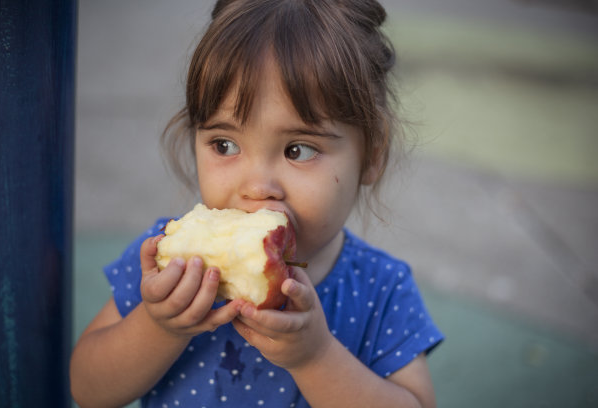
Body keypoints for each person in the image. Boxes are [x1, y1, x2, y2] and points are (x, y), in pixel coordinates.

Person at [70, 0, 444, 407]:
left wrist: (316, 357)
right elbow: (87, 389)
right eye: (224, 144)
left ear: (372, 154)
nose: (257, 187)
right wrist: (159, 327)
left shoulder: (380, 290)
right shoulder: (167, 268)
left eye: (298, 150)